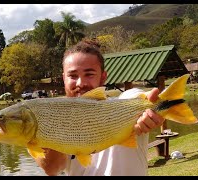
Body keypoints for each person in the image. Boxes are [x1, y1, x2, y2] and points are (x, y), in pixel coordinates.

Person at [35, 40, 165, 176]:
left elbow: (141, 98)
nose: (81, 83)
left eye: (89, 74)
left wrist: (156, 110)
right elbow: (52, 169)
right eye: (73, 76)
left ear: (103, 77)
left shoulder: (124, 102)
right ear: (63, 79)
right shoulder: (49, 119)